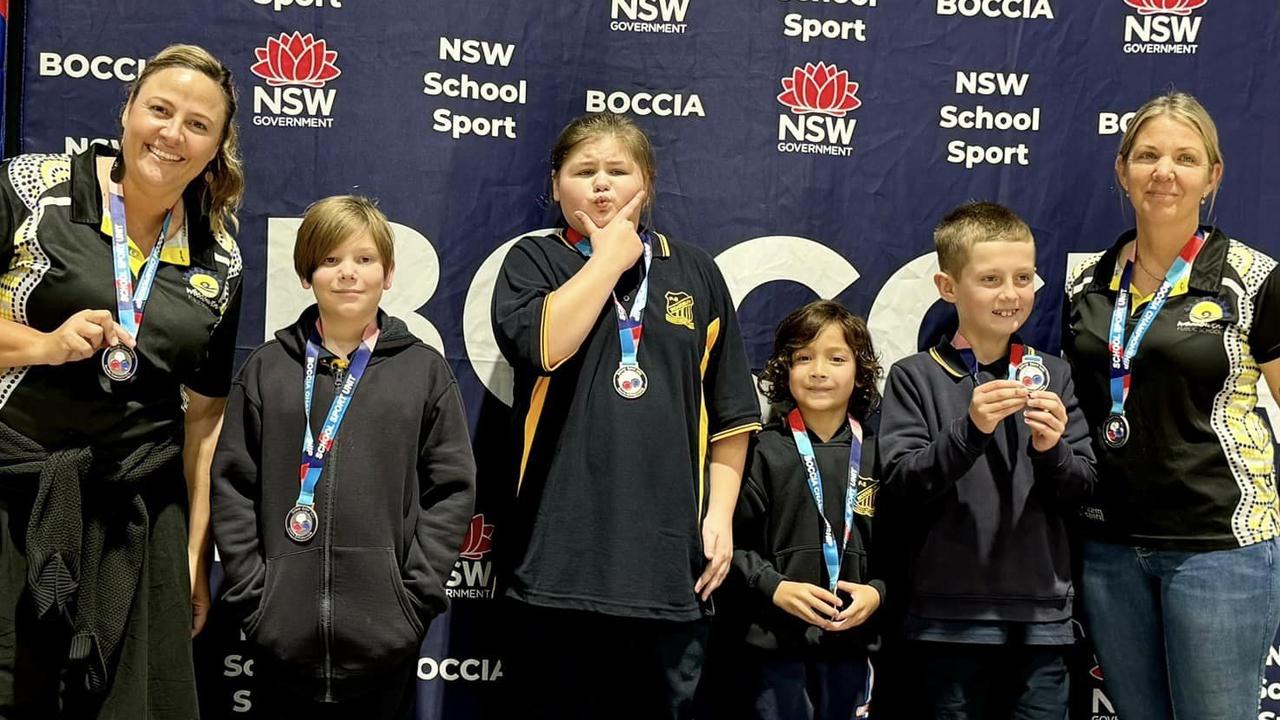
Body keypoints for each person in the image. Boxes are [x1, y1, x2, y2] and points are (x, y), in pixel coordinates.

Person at [0, 44, 244, 718]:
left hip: (136, 516)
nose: (172, 134)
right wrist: (45, 347)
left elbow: (204, 420)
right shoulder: (29, 186)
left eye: (198, 124)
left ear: (218, 145)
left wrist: (197, 554)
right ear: (127, 110)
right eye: (159, 110)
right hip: (12, 493)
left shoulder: (219, 259)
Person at [491, 112, 761, 719]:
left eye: (619, 171)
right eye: (585, 171)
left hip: (668, 566)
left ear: (649, 184)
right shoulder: (532, 264)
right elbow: (545, 346)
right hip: (556, 558)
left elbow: (731, 416)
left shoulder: (694, 271)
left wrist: (718, 518)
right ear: (557, 184)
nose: (603, 185)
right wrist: (608, 260)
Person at [211, 195, 476, 719]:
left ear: (389, 272)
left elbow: (451, 490)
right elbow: (233, 486)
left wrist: (412, 601)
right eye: (330, 260)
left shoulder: (422, 372)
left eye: (363, 259)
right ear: (306, 274)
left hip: (385, 640)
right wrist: (255, 599)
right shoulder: (268, 369)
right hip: (280, 638)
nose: (347, 274)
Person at [1062, 91, 1280, 720]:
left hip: (1220, 548)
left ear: (1212, 177)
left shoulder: (1253, 277)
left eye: (1186, 158)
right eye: (1148, 155)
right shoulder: (1087, 285)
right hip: (1110, 547)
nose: (1165, 172)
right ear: (1122, 169)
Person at [879, 201, 1096, 719]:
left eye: (1024, 278)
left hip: (1043, 619)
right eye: (990, 279)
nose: (1010, 293)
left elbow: (1084, 485)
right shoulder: (916, 376)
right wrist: (969, 432)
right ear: (948, 288)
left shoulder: (1054, 374)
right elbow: (900, 484)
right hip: (948, 618)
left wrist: (1052, 451)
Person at [727, 299, 884, 720]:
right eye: (803, 358)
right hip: (773, 645)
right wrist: (773, 586)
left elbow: (906, 547)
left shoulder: (878, 454)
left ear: (860, 372)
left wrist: (878, 591)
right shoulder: (762, 451)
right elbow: (731, 544)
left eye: (836, 358)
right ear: (783, 369)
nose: (818, 370)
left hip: (852, 646)